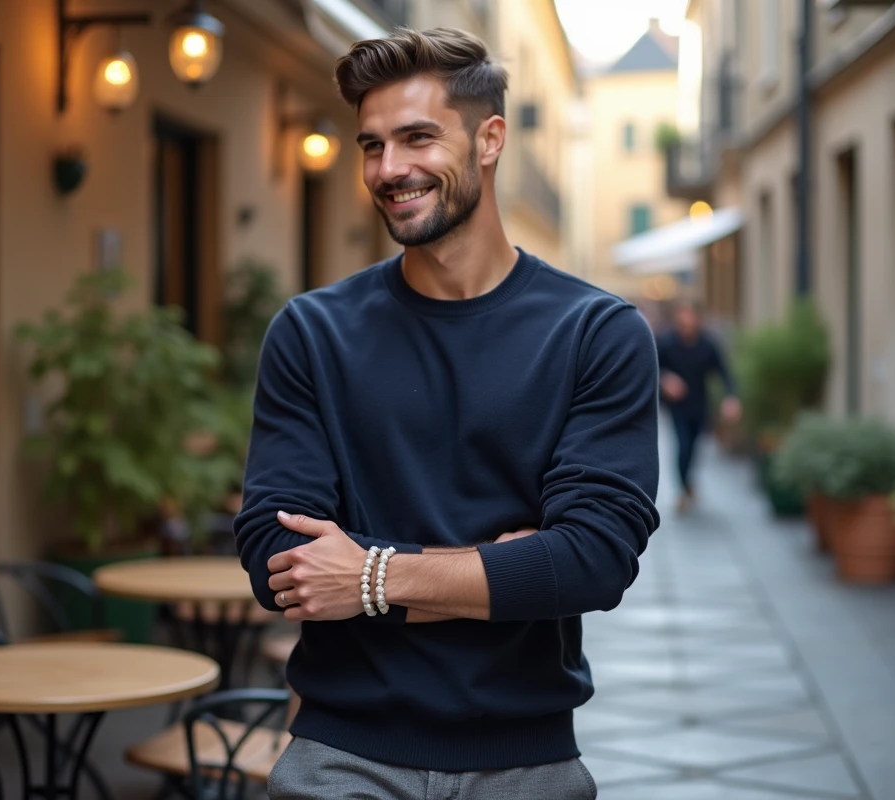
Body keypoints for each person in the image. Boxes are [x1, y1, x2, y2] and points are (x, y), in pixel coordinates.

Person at [235, 26, 660, 800]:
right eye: (372, 145)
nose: (389, 170)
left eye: (417, 138)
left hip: (527, 760)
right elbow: (280, 563)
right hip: (340, 755)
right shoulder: (312, 332)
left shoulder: (597, 332)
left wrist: (368, 577)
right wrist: (502, 574)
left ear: (490, 138)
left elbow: (593, 559)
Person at [655, 300, 740, 512]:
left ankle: (688, 483)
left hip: (700, 406)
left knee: (693, 448)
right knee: (682, 446)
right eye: (682, 323)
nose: (686, 327)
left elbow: (724, 373)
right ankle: (683, 489)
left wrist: (731, 398)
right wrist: (665, 379)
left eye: (690, 322)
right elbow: (651, 367)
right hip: (677, 407)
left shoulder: (707, 345)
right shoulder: (666, 343)